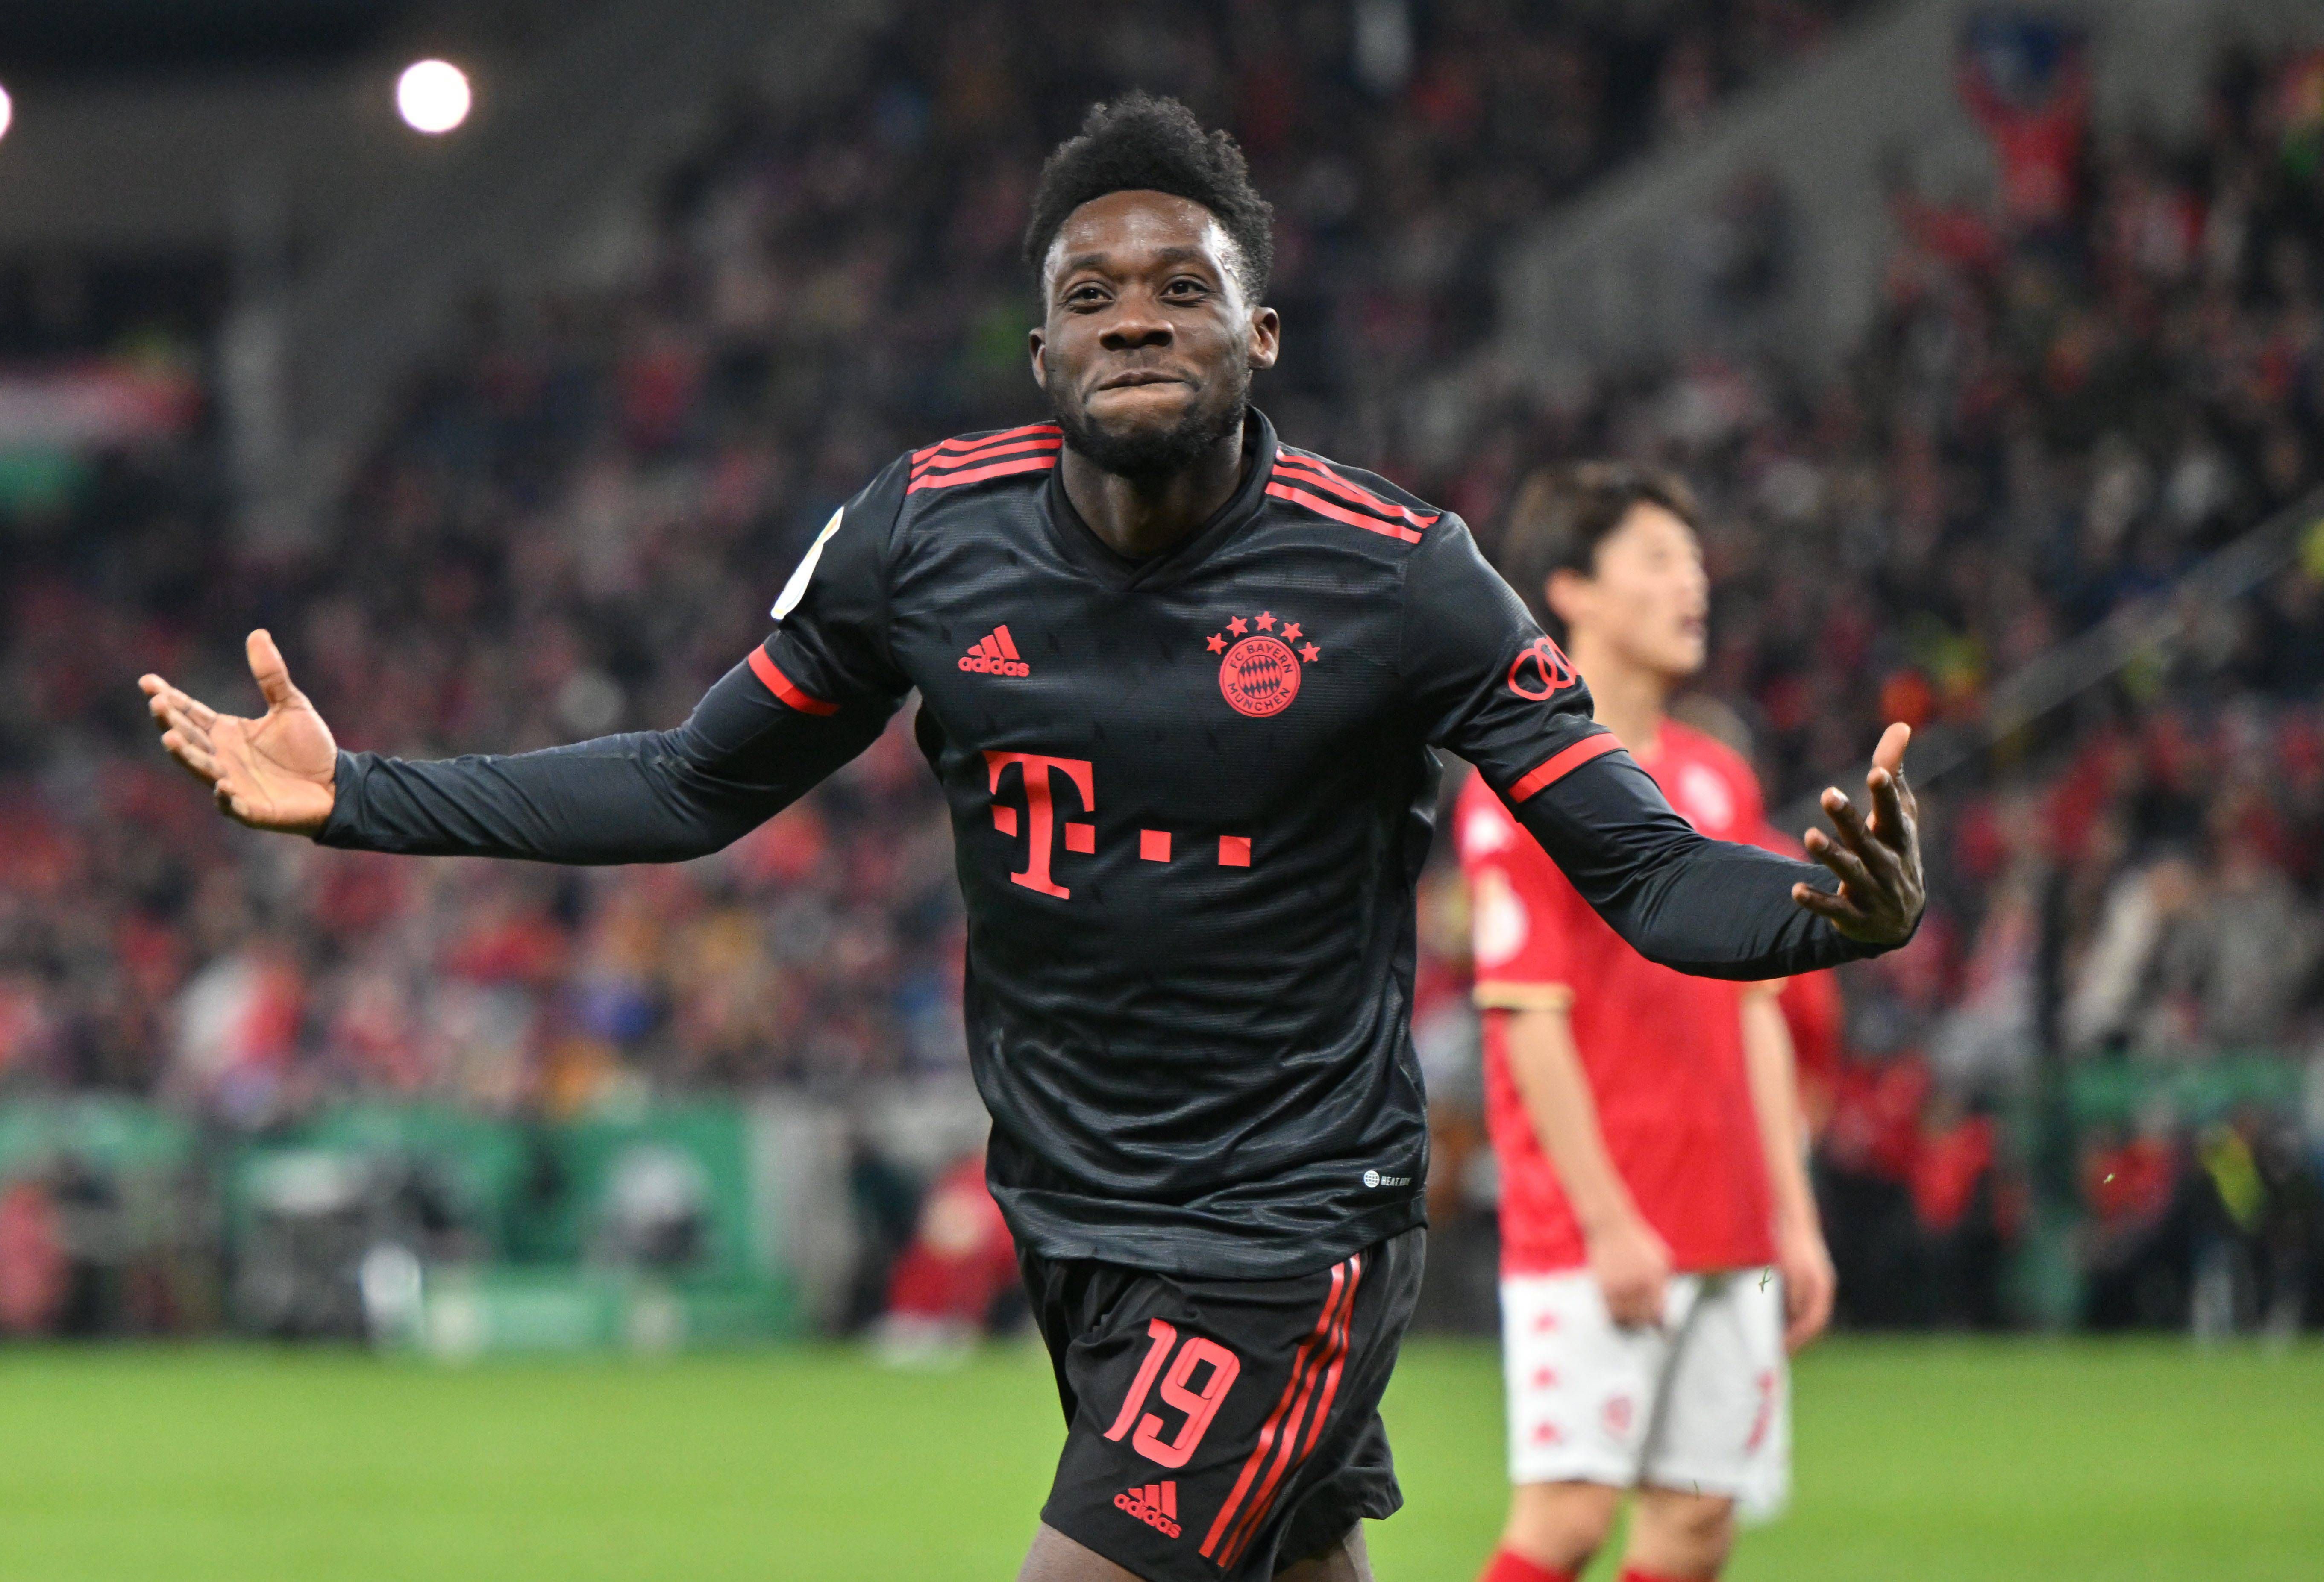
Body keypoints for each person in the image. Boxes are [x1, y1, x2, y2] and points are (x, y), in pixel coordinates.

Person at [141, 96, 1921, 1582]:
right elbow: (692, 783)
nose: (1134, 314)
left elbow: (1646, 867)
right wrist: (356, 789)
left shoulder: (1397, 573)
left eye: (1180, 286)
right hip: (1071, 1202)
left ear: (1260, 336)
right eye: (1091, 291)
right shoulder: (917, 536)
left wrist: (1819, 913)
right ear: (1041, 344)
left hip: (1285, 1215)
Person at [1457, 465, 1841, 1582]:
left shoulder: (1721, 784)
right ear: (1573, 588)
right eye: (1662, 560)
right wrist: (1608, 1220)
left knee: (1694, 1530)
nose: (1695, 586)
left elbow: (1759, 1018)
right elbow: (1529, 1023)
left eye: (1700, 563)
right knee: (1568, 1520)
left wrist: (1796, 1218)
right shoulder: (1524, 783)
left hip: (1726, 1215)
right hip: (1599, 1225)